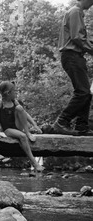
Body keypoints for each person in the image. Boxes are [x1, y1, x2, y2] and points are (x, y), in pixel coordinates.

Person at [53, 0, 93, 136]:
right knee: (83, 92)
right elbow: (77, 37)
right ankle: (62, 121)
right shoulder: (75, 11)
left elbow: (80, 37)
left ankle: (82, 126)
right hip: (72, 56)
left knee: (86, 92)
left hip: (75, 56)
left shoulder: (77, 12)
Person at [0, 81, 45, 172]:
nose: (16, 92)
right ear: (8, 93)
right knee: (22, 136)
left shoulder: (14, 101)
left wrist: (35, 125)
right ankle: (34, 163)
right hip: (8, 129)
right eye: (14, 91)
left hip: (17, 125)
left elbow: (24, 113)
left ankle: (28, 131)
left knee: (20, 108)